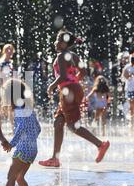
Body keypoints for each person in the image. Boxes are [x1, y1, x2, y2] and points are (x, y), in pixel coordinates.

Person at [38, 29, 110, 168]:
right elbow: (83, 72)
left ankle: (100, 144)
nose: (55, 42)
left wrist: (52, 86)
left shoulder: (60, 56)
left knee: (72, 125)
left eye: (59, 40)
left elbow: (63, 76)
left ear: (64, 44)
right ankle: (55, 158)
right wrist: (74, 81)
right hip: (74, 89)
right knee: (59, 122)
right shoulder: (74, 56)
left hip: (68, 91)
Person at [0, 79, 40, 186]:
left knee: (11, 176)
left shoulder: (19, 109)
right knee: (19, 177)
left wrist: (12, 144)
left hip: (23, 149)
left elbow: (22, 127)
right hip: (32, 149)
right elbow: (38, 128)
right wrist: (31, 139)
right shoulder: (28, 108)